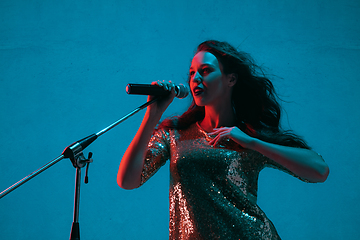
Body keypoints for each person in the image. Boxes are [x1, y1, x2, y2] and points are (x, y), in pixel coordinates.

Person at [117, 40, 329, 239]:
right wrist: (152, 114)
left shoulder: (248, 135)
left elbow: (319, 170)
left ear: (231, 79)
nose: (195, 79)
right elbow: (127, 181)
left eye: (205, 71)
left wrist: (251, 142)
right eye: (192, 74)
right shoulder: (175, 133)